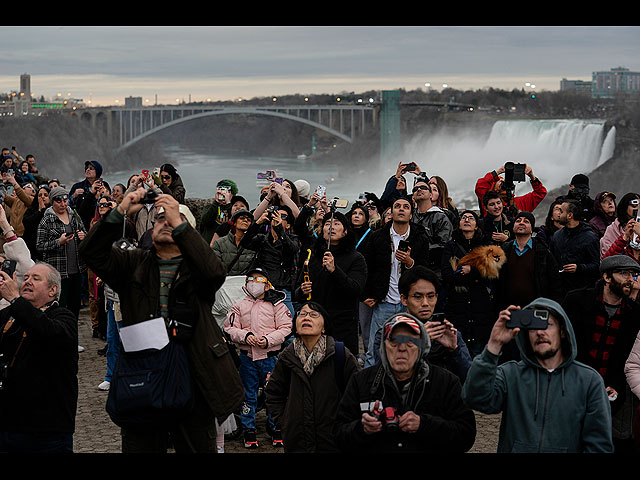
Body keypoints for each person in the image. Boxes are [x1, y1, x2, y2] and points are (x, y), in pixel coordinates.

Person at [78, 187, 243, 453]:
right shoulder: (132, 263)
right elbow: (91, 252)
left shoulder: (197, 269)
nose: (165, 223)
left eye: (173, 221)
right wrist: (120, 211)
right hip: (143, 373)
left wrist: (180, 222)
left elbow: (215, 272)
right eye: (159, 219)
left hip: (193, 371)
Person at [461, 298, 614, 453]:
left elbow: (599, 445)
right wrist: (494, 344)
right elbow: (475, 399)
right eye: (533, 327)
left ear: (562, 331)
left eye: (546, 325)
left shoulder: (589, 381)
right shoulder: (510, 374)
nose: (540, 332)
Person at [333, 313, 476, 453]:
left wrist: (424, 424)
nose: (401, 348)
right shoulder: (361, 381)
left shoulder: (446, 382)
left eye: (410, 341)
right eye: (394, 341)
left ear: (422, 347)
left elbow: (466, 436)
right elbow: (338, 434)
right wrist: (362, 429)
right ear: (384, 347)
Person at [562, 255, 640, 453]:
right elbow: (564, 345)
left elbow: (630, 358)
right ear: (606, 277)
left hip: (612, 394)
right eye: (624, 273)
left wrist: (616, 387)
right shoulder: (576, 300)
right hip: (574, 387)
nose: (630, 279)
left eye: (633, 274)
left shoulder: (635, 313)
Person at [0, 261, 78, 453]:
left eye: (36, 278)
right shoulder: (8, 316)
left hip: (46, 432)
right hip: (8, 426)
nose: (27, 282)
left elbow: (47, 331)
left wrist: (15, 300)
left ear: (53, 290)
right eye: (25, 278)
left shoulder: (63, 317)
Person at [265, 301, 359, 453]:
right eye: (302, 314)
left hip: (333, 441)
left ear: (324, 327)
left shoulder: (340, 355)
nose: (306, 318)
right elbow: (273, 393)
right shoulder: (287, 357)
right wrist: (285, 422)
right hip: (297, 441)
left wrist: (346, 426)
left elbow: (357, 394)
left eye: (314, 315)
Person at [223, 267, 292, 449]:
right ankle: (249, 429)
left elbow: (286, 328)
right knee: (248, 395)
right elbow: (229, 328)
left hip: (271, 358)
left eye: (259, 280)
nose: (254, 283)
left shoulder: (278, 305)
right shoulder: (239, 306)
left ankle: (276, 427)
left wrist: (268, 340)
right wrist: (245, 336)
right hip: (247, 359)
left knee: (274, 393)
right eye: (251, 279)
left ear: (268, 285)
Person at [362, 197, 430, 367]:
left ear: (411, 213)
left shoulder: (420, 236)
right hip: (383, 301)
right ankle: (369, 388)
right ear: (391, 212)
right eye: (397, 206)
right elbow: (366, 267)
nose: (401, 209)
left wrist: (409, 262)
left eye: (406, 207)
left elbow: (425, 269)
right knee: (375, 349)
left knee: (413, 346)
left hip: (409, 303)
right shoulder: (377, 237)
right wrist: (367, 294)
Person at [293, 210, 367, 356]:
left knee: (340, 368)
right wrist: (302, 290)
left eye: (337, 224)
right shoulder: (313, 256)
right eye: (327, 224)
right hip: (315, 325)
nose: (331, 227)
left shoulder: (356, 258)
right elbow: (297, 291)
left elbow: (355, 289)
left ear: (345, 231)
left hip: (342, 326)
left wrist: (334, 270)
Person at [440, 210, 499, 358]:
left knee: (479, 353)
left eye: (470, 218)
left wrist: (471, 271)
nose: (466, 220)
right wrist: (477, 276)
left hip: (480, 307)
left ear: (476, 226)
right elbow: (447, 275)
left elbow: (492, 274)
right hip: (457, 305)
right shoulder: (450, 245)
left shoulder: (486, 246)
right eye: (463, 218)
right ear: (459, 224)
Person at [399, 265, 472, 382]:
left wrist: (454, 350)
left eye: (430, 296)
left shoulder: (448, 333)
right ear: (404, 299)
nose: (425, 303)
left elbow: (471, 379)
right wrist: (418, 344)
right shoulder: (390, 334)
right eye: (418, 297)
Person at [35, 186, 87, 347]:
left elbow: (84, 231)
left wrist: (82, 236)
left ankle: (73, 341)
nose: (63, 204)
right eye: (59, 200)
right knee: (59, 308)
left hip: (76, 269)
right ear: (53, 201)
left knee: (74, 308)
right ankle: (60, 343)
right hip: (58, 272)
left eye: (65, 200)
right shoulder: (47, 219)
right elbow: (39, 245)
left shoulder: (73, 214)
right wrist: (59, 242)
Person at [239, 205, 299, 315]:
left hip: (282, 290)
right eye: (275, 215)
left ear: (288, 224)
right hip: (262, 288)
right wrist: (257, 223)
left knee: (289, 324)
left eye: (283, 216)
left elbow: (292, 249)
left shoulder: (292, 238)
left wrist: (280, 230)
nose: (277, 218)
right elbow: (244, 243)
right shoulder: (262, 239)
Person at [498, 211, 563, 307]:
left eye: (526, 221)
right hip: (509, 308)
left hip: (536, 307)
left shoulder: (543, 251)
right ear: (513, 227)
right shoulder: (504, 250)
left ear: (532, 229)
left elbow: (555, 283)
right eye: (518, 220)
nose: (521, 223)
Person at [549, 198, 600, 292]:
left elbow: (596, 266)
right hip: (559, 290)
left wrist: (579, 268)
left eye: (561, 211)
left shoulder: (590, 238)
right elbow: (551, 261)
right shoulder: (557, 236)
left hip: (582, 291)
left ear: (569, 215)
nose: (559, 214)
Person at [410, 177, 453, 274]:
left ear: (430, 195)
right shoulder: (410, 216)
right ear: (413, 196)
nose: (419, 189)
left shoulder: (440, 217)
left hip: (434, 271)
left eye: (423, 187)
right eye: (415, 189)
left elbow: (444, 244)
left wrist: (418, 250)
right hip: (411, 269)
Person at [475, 162, 546, 217]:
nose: (503, 182)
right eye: (500, 181)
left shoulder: (519, 202)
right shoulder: (489, 202)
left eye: (503, 180)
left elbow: (540, 193)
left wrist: (531, 176)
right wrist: (499, 171)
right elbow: (480, 185)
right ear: (494, 189)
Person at [212, 208, 259, 277]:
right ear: (234, 222)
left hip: (246, 282)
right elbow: (215, 266)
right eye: (242, 218)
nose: (245, 220)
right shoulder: (219, 243)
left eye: (249, 220)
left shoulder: (254, 244)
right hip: (225, 282)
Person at [199, 179, 238, 245]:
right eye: (221, 190)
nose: (223, 193)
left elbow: (234, 223)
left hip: (225, 245)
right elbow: (205, 221)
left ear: (232, 194)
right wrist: (216, 203)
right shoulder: (210, 207)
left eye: (226, 191)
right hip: (208, 243)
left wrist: (228, 203)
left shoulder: (234, 209)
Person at [600, 193, 640, 257]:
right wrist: (625, 237)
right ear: (625, 207)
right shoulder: (613, 229)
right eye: (634, 206)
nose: (637, 210)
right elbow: (607, 259)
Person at [68, 160, 103, 230]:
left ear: (98, 171)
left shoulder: (104, 186)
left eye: (91, 168)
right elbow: (67, 206)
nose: (88, 170)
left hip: (99, 224)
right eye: (86, 168)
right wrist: (73, 196)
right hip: (81, 225)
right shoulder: (77, 186)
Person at [22, 184, 50, 261]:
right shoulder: (31, 210)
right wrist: (39, 211)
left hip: (47, 248)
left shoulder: (53, 211)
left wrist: (43, 210)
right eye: (40, 195)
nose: (43, 197)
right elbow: (27, 223)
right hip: (31, 247)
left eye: (46, 195)